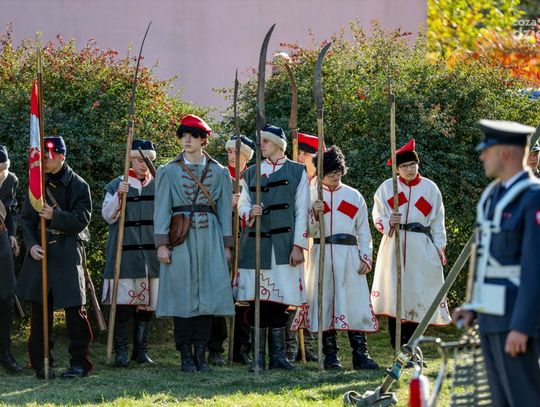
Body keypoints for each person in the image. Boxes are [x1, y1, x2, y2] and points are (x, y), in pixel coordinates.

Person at [454, 120, 540, 406]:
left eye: (486, 150)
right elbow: (486, 260)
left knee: (524, 399)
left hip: (516, 322)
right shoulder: (492, 196)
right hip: (491, 319)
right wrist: (473, 305)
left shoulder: (533, 197)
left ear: (505, 152)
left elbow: (535, 269)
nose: (482, 156)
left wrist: (522, 326)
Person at [154, 114, 235, 373]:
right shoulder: (168, 171)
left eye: (192, 136)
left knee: (208, 297)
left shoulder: (220, 172)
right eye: (183, 136)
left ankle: (202, 353)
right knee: (182, 296)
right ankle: (185, 355)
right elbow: (161, 209)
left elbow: (225, 211)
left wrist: (226, 245)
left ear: (203, 140)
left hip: (210, 239)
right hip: (181, 239)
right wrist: (161, 243)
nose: (187, 140)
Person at [234, 124, 309, 371]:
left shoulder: (297, 171)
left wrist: (298, 245)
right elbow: (242, 204)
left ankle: (277, 357)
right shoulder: (251, 173)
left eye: (265, 141)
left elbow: (302, 211)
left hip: (284, 246)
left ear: (278, 144)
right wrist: (249, 211)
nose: (261, 146)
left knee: (280, 300)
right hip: (256, 244)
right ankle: (258, 358)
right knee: (258, 301)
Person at [16, 136, 93, 379]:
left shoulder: (79, 185)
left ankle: (79, 364)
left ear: (61, 156)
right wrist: (31, 245)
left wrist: (55, 216)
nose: (44, 161)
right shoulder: (36, 184)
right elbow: (26, 220)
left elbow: (82, 219)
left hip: (67, 252)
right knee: (39, 314)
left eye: (48, 156)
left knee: (75, 313)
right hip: (41, 253)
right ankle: (41, 363)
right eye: (42, 156)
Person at [297, 146, 379, 370]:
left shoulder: (354, 195)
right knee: (325, 302)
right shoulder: (311, 194)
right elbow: (306, 231)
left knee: (355, 302)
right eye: (330, 171)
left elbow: (363, 230)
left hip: (350, 255)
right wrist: (314, 215)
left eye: (338, 170)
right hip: (322, 254)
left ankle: (361, 355)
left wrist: (365, 256)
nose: (335, 175)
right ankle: (331, 356)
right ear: (321, 172)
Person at [371, 139, 451, 352]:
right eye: (405, 166)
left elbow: (438, 222)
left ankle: (412, 348)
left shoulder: (430, 188)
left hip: (421, 247)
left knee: (418, 295)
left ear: (418, 164)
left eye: (412, 165)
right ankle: (397, 347)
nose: (409, 169)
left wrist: (439, 248)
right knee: (395, 296)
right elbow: (377, 214)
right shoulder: (388, 188)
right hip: (394, 244)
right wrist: (389, 221)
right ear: (397, 169)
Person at [101, 140, 159, 367]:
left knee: (146, 307)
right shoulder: (116, 185)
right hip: (125, 254)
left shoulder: (159, 184)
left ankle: (141, 351)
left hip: (151, 256)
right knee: (123, 305)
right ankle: (121, 351)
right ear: (130, 160)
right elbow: (108, 216)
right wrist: (119, 195)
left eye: (148, 160)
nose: (144, 164)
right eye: (140, 160)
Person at [207, 134, 255, 366]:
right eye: (229, 151)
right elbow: (207, 204)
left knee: (244, 295)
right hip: (221, 240)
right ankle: (215, 347)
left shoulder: (254, 177)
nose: (231, 155)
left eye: (236, 152)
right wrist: (227, 203)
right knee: (218, 292)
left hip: (247, 241)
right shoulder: (219, 175)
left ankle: (241, 348)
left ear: (246, 155)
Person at [285, 132, 320, 363]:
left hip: (313, 246)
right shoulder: (291, 179)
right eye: (299, 152)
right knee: (291, 295)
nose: (301, 156)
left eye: (306, 153)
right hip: (292, 242)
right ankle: (289, 346)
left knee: (310, 295)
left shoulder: (321, 185)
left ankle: (307, 346)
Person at [0, 145, 22, 374]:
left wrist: (13, 234)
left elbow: (12, 210)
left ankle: (5, 352)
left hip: (1, 240)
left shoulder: (11, 180)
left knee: (6, 298)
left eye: (3, 169)